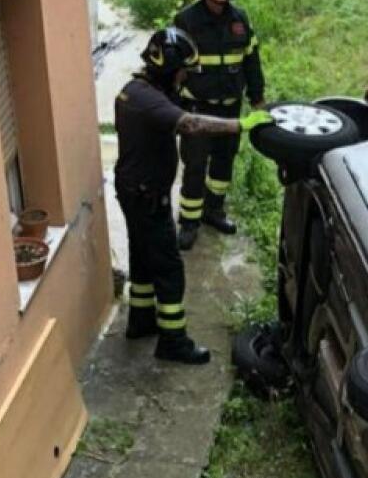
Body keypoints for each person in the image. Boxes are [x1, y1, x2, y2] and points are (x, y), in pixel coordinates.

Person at [115, 27, 272, 363]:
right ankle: (173, 341)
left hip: (134, 191)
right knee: (170, 269)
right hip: (146, 196)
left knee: (142, 257)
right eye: (183, 71)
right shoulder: (149, 101)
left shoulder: (135, 91)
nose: (185, 77)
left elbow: (179, 106)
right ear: (168, 68)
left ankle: (140, 320)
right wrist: (240, 125)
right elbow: (191, 125)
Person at [174, 0, 265, 251]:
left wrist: (257, 98)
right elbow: (173, 67)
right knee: (195, 165)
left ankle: (214, 210)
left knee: (224, 163)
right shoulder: (186, 21)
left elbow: (251, 61)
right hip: (197, 111)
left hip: (230, 109)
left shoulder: (240, 20)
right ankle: (189, 221)